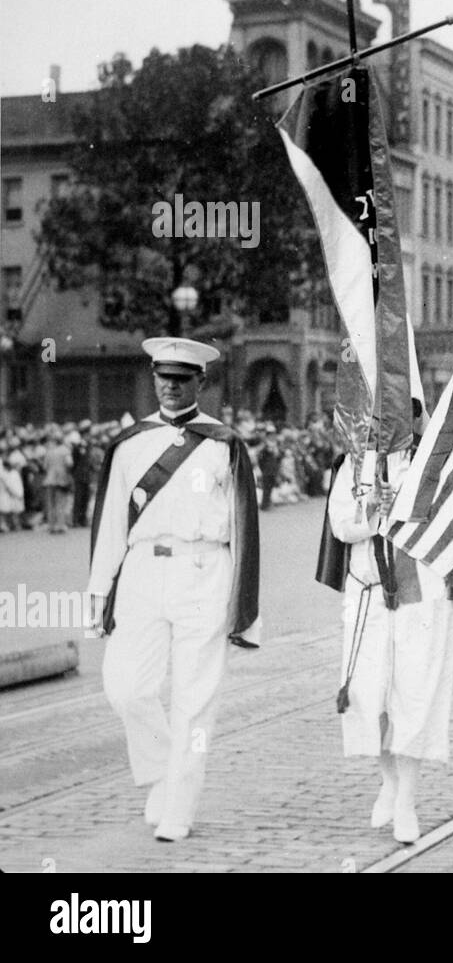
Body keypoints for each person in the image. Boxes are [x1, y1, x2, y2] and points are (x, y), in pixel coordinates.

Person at [88, 337, 259, 841]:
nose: (169, 386)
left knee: (194, 699)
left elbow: (244, 524)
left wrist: (243, 606)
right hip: (142, 571)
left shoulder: (223, 444)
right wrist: (100, 594)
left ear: (200, 384)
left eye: (181, 379)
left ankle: (179, 805)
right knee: (126, 688)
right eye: (163, 378)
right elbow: (110, 528)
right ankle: (164, 769)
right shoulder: (129, 445)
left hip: (204, 571)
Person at [316, 400, 453, 845]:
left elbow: (452, 520)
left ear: (415, 420)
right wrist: (371, 513)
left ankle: (407, 800)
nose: (385, 427)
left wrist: (407, 508)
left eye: (397, 418)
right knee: (367, 694)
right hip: (369, 592)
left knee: (413, 695)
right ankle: (388, 780)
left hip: (420, 592)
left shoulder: (436, 464)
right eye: (378, 418)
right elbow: (341, 524)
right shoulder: (354, 465)